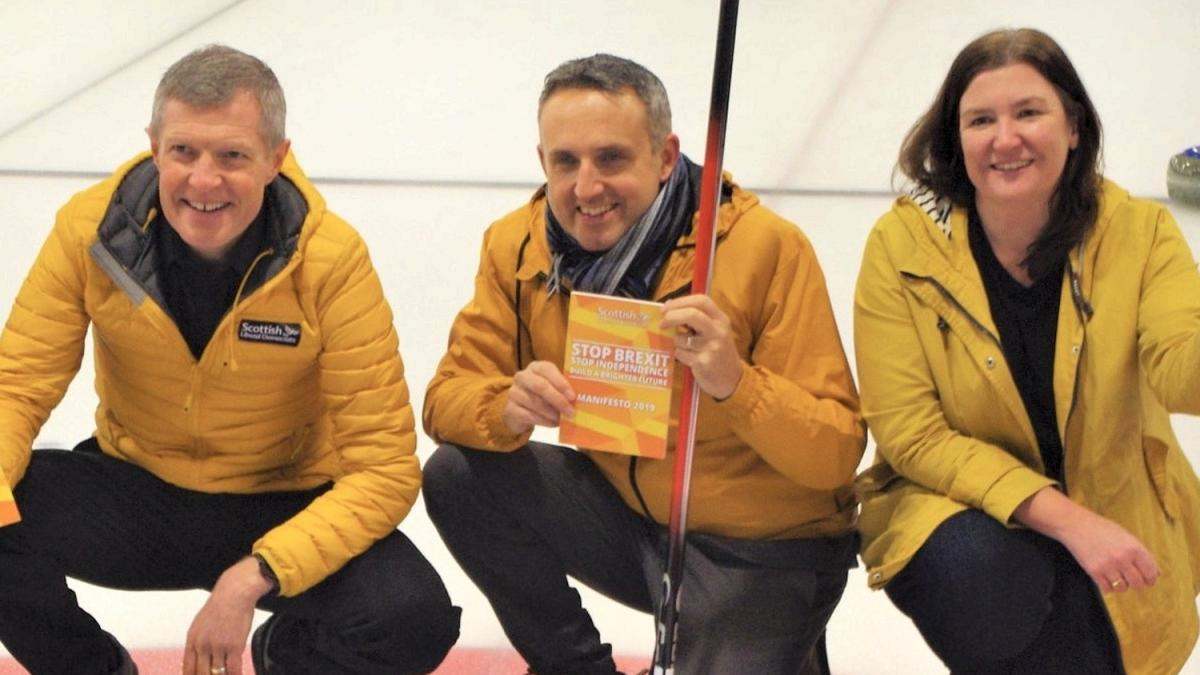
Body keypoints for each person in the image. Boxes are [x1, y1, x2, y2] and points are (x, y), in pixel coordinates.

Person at [0, 45, 460, 675]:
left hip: (281, 500)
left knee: (413, 618)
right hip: (136, 489)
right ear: (154, 146)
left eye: (233, 156)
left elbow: (384, 468)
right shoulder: (89, 233)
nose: (203, 181)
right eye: (184, 151)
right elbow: (16, 388)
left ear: (276, 158)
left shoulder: (332, 261)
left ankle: (285, 657)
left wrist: (256, 575)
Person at [421, 53, 865, 675]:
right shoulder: (519, 245)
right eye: (566, 162)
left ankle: (777, 638)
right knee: (459, 476)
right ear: (542, 161)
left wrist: (737, 385)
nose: (586, 189)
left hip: (763, 548)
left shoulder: (763, 246)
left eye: (611, 159)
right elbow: (444, 399)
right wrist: (504, 407)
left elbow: (836, 452)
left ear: (664, 156)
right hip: (630, 524)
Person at [853, 27, 1200, 674]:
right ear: (956, 138)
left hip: (1112, 506)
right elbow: (911, 434)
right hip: (961, 510)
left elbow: (1181, 366)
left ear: (1074, 128)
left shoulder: (1140, 233)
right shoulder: (901, 248)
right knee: (985, 579)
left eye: (1029, 112)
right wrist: (1066, 520)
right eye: (981, 119)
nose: (1005, 139)